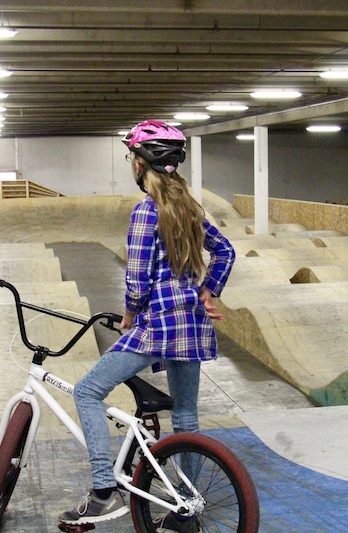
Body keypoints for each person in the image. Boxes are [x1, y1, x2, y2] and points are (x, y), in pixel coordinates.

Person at [59, 120, 235, 532]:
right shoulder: (191, 209)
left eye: (132, 158)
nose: (131, 164)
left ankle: (104, 491)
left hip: (157, 327)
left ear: (142, 165)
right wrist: (209, 290)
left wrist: (129, 317)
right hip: (190, 325)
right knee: (186, 416)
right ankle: (187, 505)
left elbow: (136, 281)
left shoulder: (145, 213)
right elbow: (224, 250)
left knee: (87, 391)